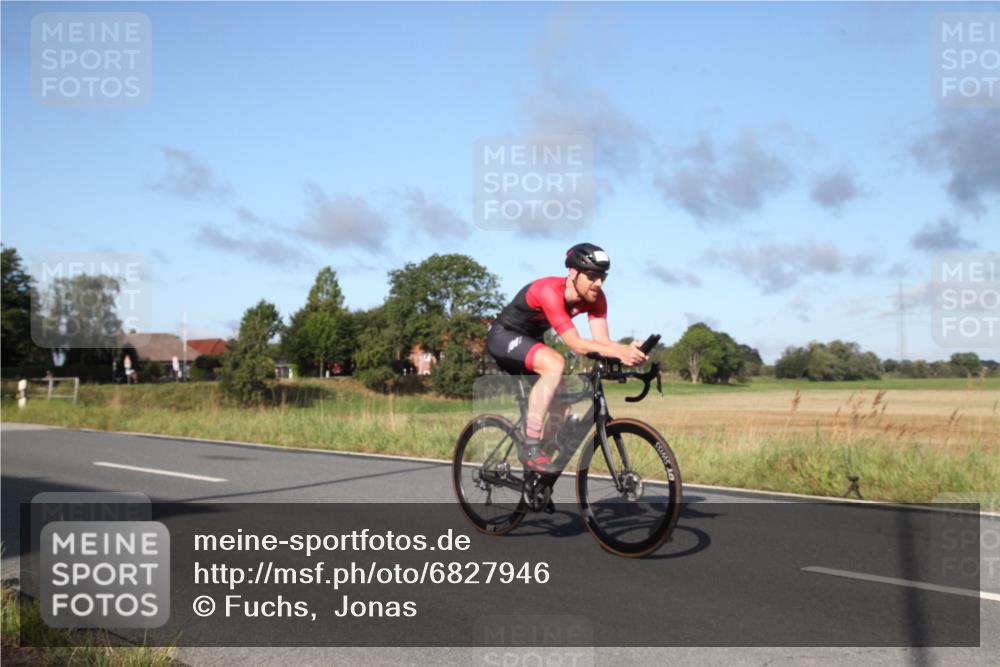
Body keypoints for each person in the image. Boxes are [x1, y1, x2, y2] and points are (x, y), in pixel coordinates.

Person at [486, 243, 647, 471]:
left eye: (602, 277)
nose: (598, 283)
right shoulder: (549, 290)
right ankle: (531, 446)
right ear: (573, 272)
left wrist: (629, 351)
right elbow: (574, 344)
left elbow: (602, 342)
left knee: (562, 406)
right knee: (555, 363)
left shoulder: (596, 298)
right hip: (504, 337)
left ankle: (539, 473)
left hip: (531, 341)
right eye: (592, 276)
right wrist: (620, 352)